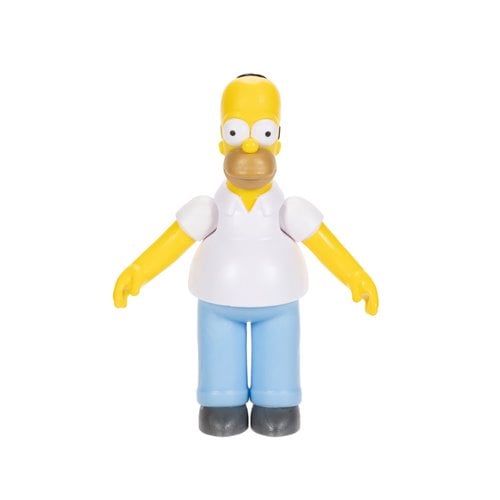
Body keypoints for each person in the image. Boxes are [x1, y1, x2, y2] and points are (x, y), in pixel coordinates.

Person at [113, 74, 378, 437]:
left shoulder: (290, 209)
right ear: (222, 140)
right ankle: (221, 401)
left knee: (279, 355)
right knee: (218, 358)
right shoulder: (208, 209)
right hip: (218, 301)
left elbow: (322, 242)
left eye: (263, 133)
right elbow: (174, 240)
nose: (250, 147)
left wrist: (355, 277)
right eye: (237, 132)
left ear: (278, 140)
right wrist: (138, 271)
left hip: (278, 301)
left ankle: (277, 401)